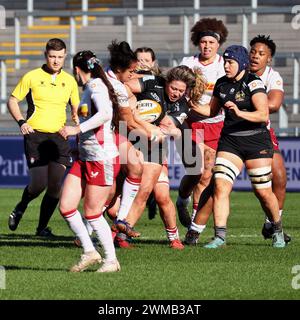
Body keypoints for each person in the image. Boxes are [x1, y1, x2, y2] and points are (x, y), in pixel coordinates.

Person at [185, 35, 291, 246]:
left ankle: (277, 229)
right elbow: (211, 110)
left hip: (256, 141)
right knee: (220, 185)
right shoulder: (222, 84)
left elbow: (262, 115)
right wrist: (188, 102)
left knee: (262, 191)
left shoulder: (254, 83)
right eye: (224, 61)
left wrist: (239, 113)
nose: (226, 65)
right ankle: (219, 236)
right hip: (231, 141)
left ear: (241, 64)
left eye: (230, 62)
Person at [112, 65, 206, 249]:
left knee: (149, 192)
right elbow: (126, 86)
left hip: (153, 146)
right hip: (128, 137)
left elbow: (163, 129)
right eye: (173, 88)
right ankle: (101, 229)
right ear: (166, 82)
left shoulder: (181, 106)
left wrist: (138, 118)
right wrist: (131, 104)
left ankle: (168, 238)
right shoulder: (152, 83)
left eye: (181, 90)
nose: (176, 93)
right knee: (112, 197)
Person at [7, 38, 80, 237]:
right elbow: (13, 100)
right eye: (52, 56)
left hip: (59, 136)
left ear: (65, 56)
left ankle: (42, 228)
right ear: (45, 55)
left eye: (59, 57)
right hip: (35, 136)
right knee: (39, 184)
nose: (56, 61)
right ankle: (20, 207)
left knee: (56, 185)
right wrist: (22, 122)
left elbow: (76, 109)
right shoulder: (32, 76)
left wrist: (76, 121)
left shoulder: (70, 81)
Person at [59, 50, 121, 272]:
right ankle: (89, 251)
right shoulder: (90, 88)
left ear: (76, 69)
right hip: (85, 157)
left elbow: (105, 113)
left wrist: (77, 127)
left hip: (101, 159)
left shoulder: (95, 86)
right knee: (66, 206)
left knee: (93, 213)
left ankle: (111, 261)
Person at [177, 18, 228, 228]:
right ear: (198, 42)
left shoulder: (224, 66)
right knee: (196, 170)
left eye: (211, 43)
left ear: (218, 44)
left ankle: (194, 225)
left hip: (216, 123)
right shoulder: (188, 63)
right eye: (203, 42)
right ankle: (182, 200)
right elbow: (176, 87)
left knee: (207, 174)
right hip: (192, 123)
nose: (207, 46)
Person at [249, 35, 290, 242]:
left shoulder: (273, 76)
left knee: (280, 176)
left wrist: (247, 104)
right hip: (230, 130)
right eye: (253, 52)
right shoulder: (237, 71)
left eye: (261, 53)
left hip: (260, 130)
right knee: (213, 181)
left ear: (269, 59)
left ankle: (271, 224)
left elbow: (274, 104)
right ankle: (196, 226)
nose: (256, 56)